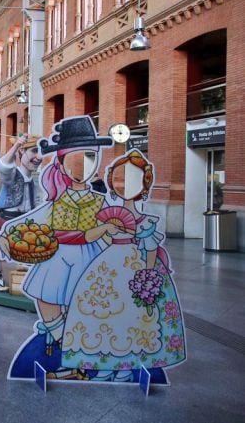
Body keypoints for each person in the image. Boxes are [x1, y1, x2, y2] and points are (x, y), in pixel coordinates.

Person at [0, 116, 120, 380]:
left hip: (89, 261)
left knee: (83, 305)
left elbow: (114, 229)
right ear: (62, 164)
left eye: (89, 157)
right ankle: (68, 353)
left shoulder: (100, 202)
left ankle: (82, 358)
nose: (82, 166)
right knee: (49, 300)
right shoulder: (57, 201)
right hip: (58, 257)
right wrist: (7, 235)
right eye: (74, 159)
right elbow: (33, 220)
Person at [61, 150, 185, 383]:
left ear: (144, 186)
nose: (126, 187)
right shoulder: (109, 215)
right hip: (108, 266)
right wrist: (108, 231)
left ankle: (128, 366)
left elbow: (149, 249)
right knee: (101, 310)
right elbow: (102, 239)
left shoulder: (146, 221)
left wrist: (147, 277)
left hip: (136, 267)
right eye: (121, 180)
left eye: (135, 180)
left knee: (133, 316)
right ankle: (104, 364)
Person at [0, 135, 43, 291]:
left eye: (40, 152)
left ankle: (28, 282)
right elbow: (4, 167)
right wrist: (14, 147)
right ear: (22, 151)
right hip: (8, 220)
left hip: (27, 221)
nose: (38, 157)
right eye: (34, 151)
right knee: (0, 250)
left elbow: (36, 201)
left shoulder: (33, 181)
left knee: (32, 251)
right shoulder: (13, 174)